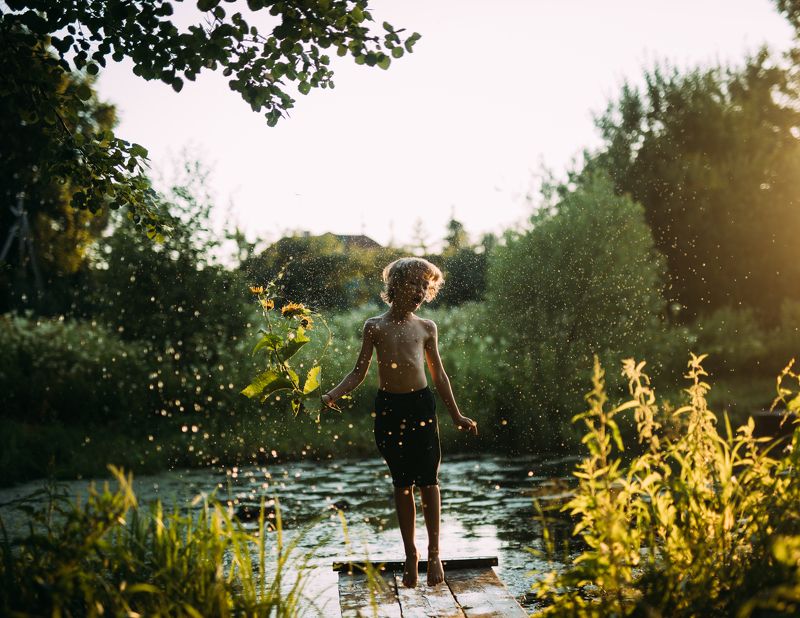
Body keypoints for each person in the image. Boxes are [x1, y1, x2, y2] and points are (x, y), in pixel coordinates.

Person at [321, 257, 478, 588]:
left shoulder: (426, 328)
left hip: (421, 407)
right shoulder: (374, 327)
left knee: (429, 481)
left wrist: (456, 414)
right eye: (413, 284)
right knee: (401, 483)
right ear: (394, 288)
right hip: (390, 409)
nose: (420, 291)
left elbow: (439, 376)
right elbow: (359, 372)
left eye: (425, 285)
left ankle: (434, 554)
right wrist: (331, 394)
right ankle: (411, 555)